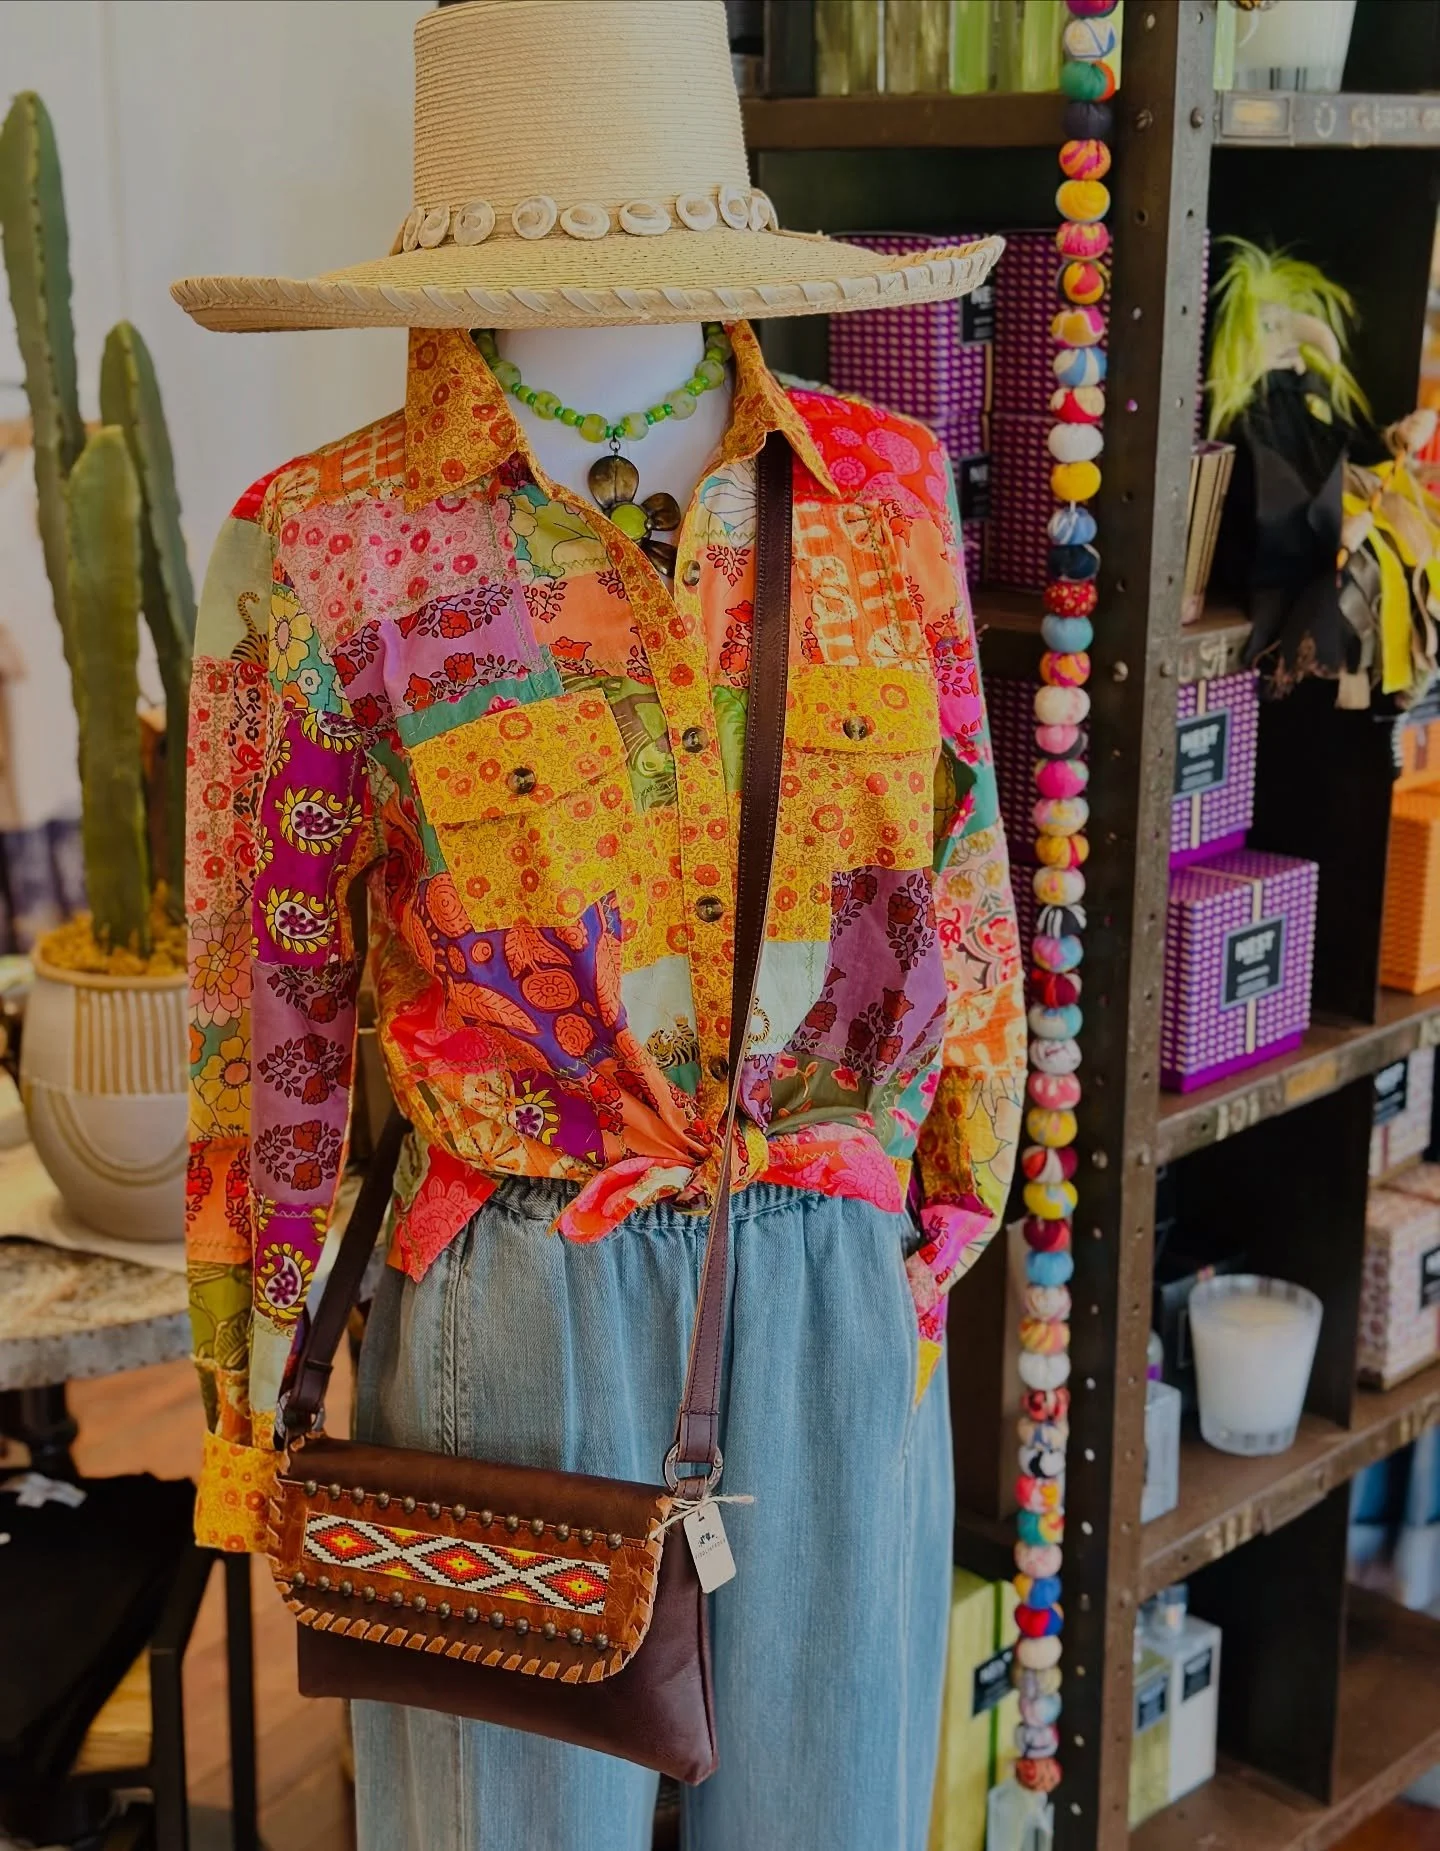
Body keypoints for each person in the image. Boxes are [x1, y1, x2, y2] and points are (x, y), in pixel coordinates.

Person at [176, 3, 1025, 1845]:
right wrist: (256, 1403)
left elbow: (964, 890)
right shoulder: (322, 549)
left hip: (829, 1283)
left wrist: (944, 1215)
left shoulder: (884, 498)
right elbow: (274, 1014)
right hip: (509, 1319)